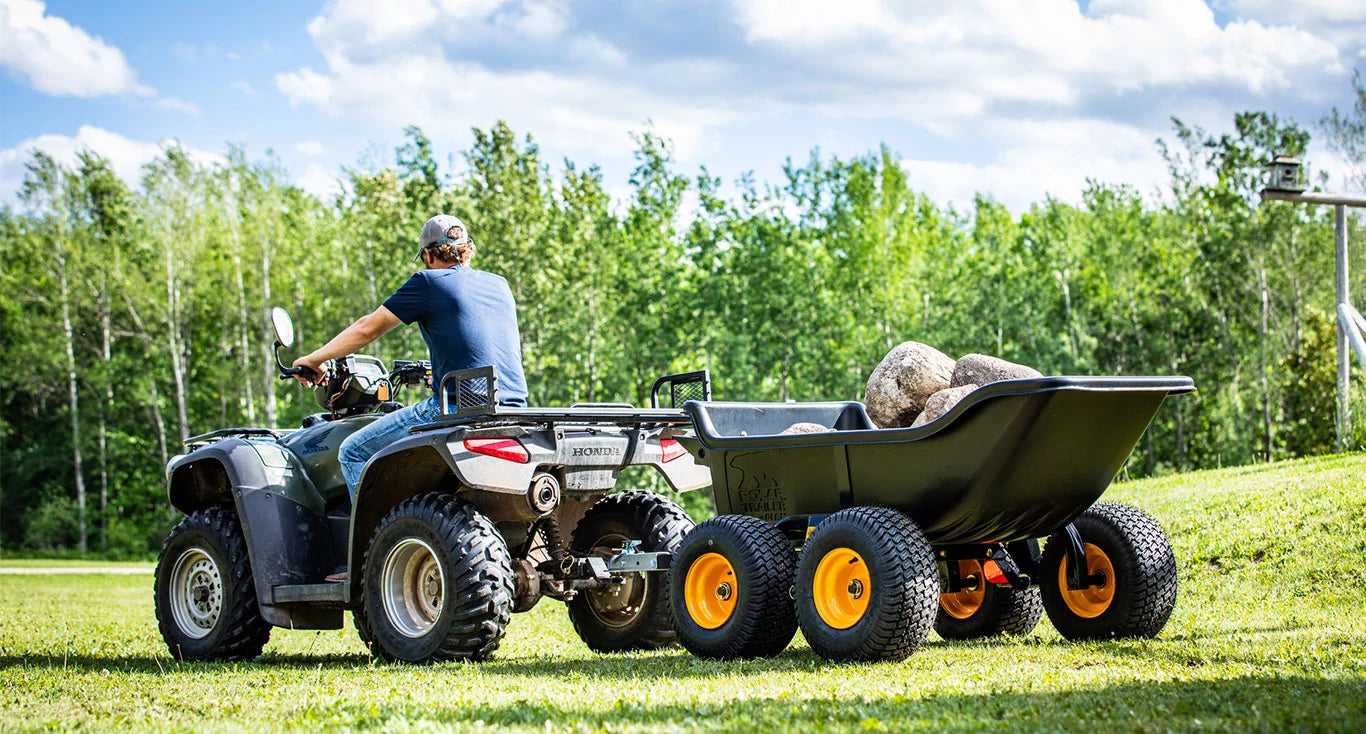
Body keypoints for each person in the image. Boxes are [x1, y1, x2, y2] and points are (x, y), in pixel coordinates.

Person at [293, 214, 528, 580]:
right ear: (466, 252)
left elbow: (367, 327)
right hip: (511, 405)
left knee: (353, 452)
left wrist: (314, 359)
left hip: (457, 407)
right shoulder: (499, 285)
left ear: (430, 256)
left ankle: (374, 562)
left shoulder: (428, 282)